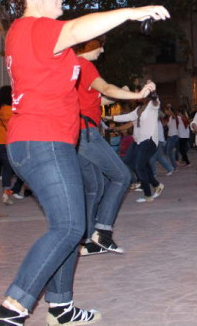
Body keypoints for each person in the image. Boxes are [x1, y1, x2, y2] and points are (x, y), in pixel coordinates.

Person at [0, 0, 169, 326]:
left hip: (43, 142)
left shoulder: (29, 32)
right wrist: (132, 12)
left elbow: (61, 21)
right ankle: (12, 309)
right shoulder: (35, 28)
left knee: (69, 227)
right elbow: (78, 26)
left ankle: (61, 308)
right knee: (70, 228)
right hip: (43, 141)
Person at [74, 38, 156, 255]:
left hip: (76, 134)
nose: (102, 49)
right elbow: (106, 87)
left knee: (94, 187)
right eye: (99, 45)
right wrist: (138, 95)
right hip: (87, 132)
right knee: (122, 176)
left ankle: (89, 240)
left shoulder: (71, 67)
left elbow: (97, 99)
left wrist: (119, 93)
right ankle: (103, 232)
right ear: (88, 45)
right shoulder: (85, 66)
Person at [113, 96, 166, 202]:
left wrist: (154, 94)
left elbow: (156, 103)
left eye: (140, 94)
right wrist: (111, 118)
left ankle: (147, 194)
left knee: (139, 165)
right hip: (137, 140)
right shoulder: (138, 110)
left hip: (148, 140)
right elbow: (128, 118)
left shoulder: (151, 106)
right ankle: (154, 184)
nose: (137, 97)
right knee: (131, 162)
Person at [0, 85, 24, 205]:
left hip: (0, 141)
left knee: (7, 168)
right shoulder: (12, 110)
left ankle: (6, 192)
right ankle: (15, 189)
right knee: (21, 166)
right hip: (12, 142)